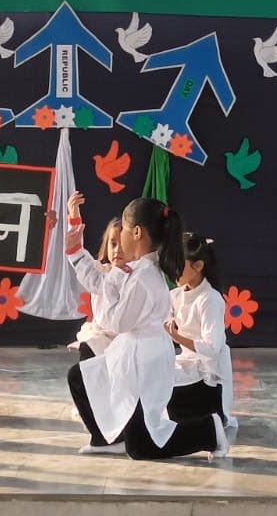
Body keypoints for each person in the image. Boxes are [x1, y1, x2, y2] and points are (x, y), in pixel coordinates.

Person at [65, 192, 228, 461]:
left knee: (142, 447)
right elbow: (100, 285)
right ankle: (106, 438)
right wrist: (76, 254)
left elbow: (117, 321)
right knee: (80, 376)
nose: (120, 239)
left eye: (124, 231)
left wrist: (115, 278)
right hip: (133, 353)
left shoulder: (143, 276)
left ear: (137, 233)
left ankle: (208, 431)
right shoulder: (139, 269)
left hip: (144, 360)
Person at [166, 231, 235, 433]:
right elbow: (164, 316)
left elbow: (212, 348)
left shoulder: (210, 299)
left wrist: (177, 337)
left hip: (208, 373)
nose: (173, 270)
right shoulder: (175, 295)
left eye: (179, 264)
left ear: (198, 266)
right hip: (186, 363)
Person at [71, 218, 125, 360]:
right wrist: (74, 215)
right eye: (113, 244)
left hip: (125, 336)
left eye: (124, 244)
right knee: (89, 349)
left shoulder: (136, 276)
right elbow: (83, 262)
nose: (117, 250)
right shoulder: (101, 270)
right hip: (100, 335)